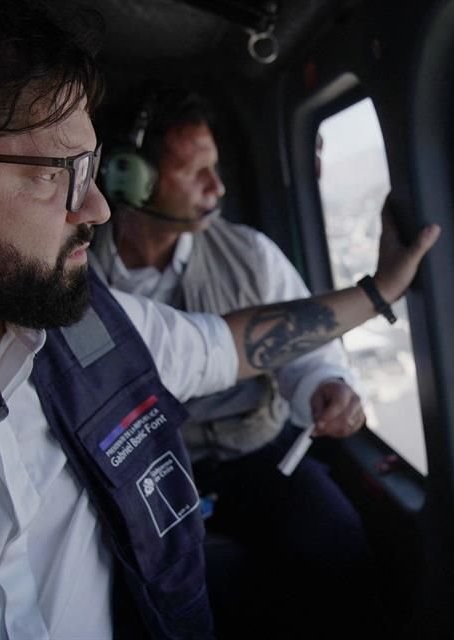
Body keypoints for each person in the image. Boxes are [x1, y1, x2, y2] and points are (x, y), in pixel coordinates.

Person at [0, 2, 440, 640]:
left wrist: (380, 290)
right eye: (53, 173)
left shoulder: (91, 326)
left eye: (92, 170)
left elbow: (233, 344)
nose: (94, 208)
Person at [92, 88, 373, 636]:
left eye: (215, 168)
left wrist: (325, 383)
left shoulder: (251, 254)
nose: (217, 188)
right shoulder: (80, 272)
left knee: (335, 536)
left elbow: (306, 351)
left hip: (249, 449)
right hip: (137, 473)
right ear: (129, 177)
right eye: (194, 172)